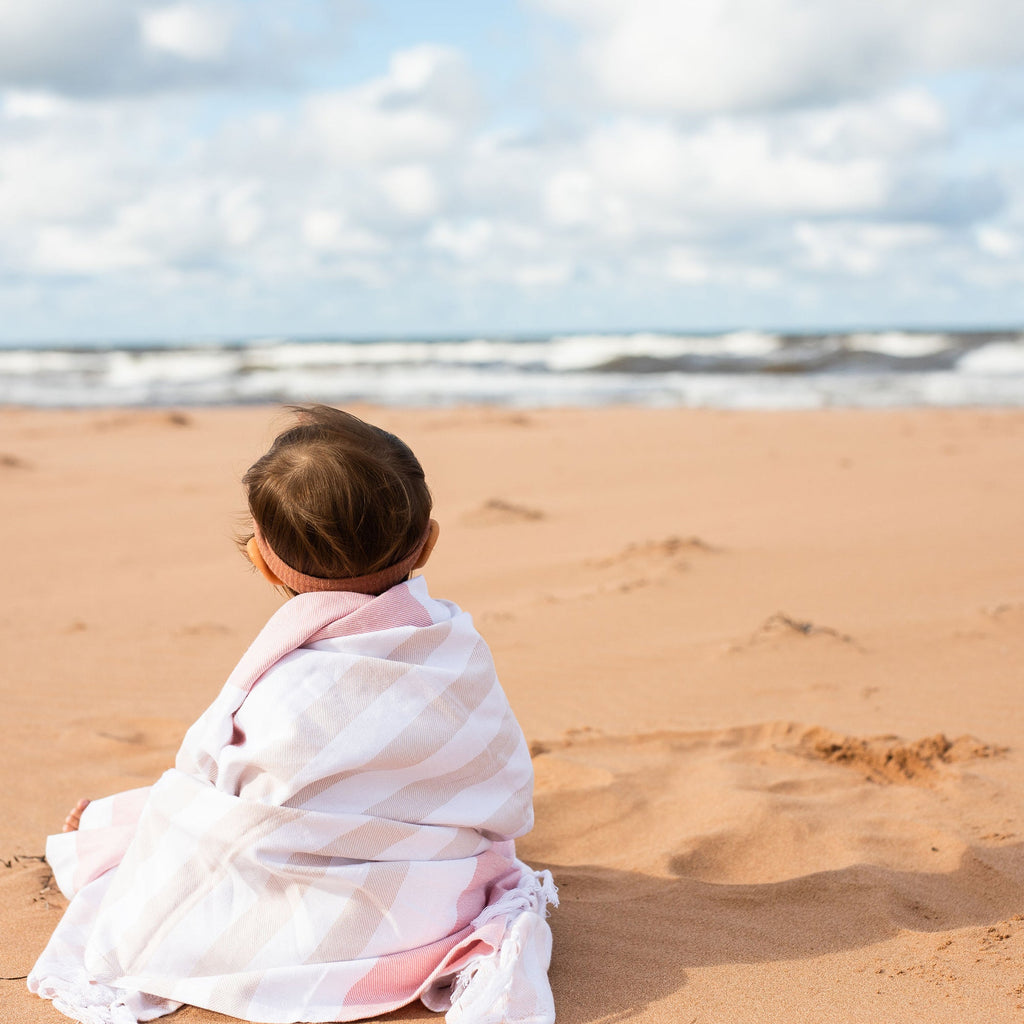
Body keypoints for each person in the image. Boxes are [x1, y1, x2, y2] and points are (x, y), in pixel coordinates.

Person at [29, 405, 557, 1024]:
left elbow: (223, 789)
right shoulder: (456, 651)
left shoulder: (285, 686)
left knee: (171, 820)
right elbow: (497, 779)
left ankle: (110, 827)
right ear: (430, 540)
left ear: (262, 560)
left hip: (291, 894)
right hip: (431, 896)